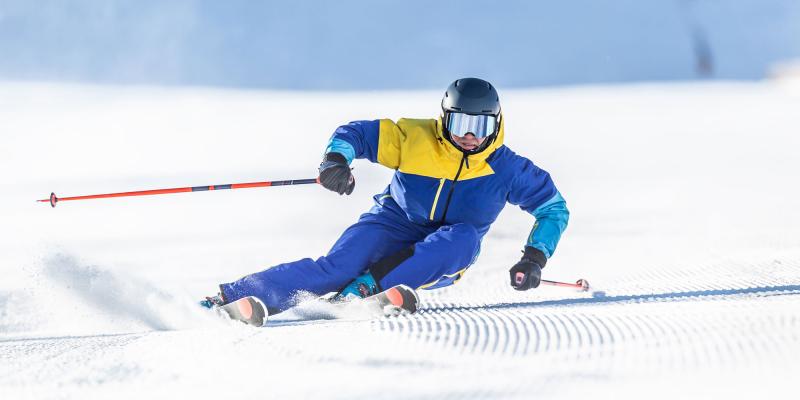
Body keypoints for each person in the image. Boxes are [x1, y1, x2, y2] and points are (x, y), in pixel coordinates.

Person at [202, 77, 569, 315]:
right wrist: (336, 161)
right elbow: (354, 134)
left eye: (481, 125)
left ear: (496, 124)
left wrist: (534, 257)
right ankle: (231, 297)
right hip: (391, 223)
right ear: (444, 118)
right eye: (461, 123)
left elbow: (553, 209)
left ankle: (368, 289)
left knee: (463, 237)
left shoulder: (508, 168)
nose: (469, 136)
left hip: (443, 251)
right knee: (337, 268)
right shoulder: (414, 137)